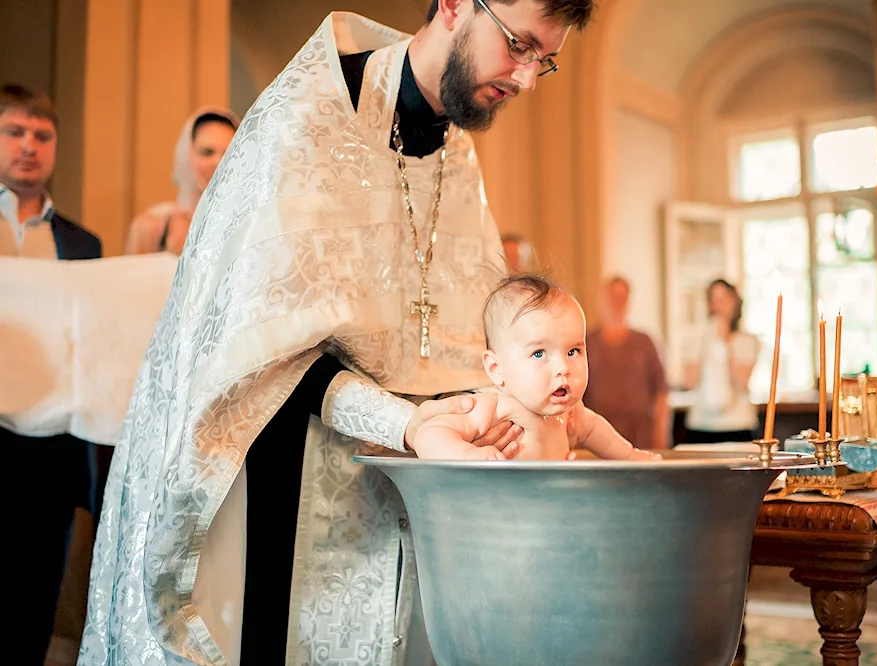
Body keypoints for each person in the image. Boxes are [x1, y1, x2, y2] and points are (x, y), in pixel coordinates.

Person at [79, 2, 594, 665]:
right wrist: (410, 426)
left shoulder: (457, 149)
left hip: (411, 487)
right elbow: (268, 350)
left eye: (542, 60)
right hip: (287, 472)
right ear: (454, 5)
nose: (525, 78)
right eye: (518, 45)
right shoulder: (308, 117)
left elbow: (459, 331)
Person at [0, 83, 103, 664]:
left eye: (42, 135)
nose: (29, 146)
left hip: (48, 452)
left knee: (32, 603)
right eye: (14, 131)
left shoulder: (82, 244)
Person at [414, 274, 660, 461]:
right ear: (496, 368)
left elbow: (595, 429)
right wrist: (467, 455)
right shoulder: (496, 408)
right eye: (539, 353)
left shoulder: (571, 413)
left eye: (573, 351)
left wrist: (630, 456)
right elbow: (428, 434)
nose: (563, 368)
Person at [124, 108, 239, 255]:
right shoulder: (154, 226)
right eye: (207, 152)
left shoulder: (250, 226)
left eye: (228, 154)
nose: (218, 163)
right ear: (185, 155)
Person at [583, 276, 670, 450]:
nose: (617, 302)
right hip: (596, 437)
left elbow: (661, 392)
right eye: (612, 297)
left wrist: (661, 433)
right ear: (601, 301)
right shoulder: (586, 342)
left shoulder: (645, 342)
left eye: (622, 297)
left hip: (640, 437)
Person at [683, 279, 760, 443]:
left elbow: (742, 381)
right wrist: (708, 342)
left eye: (724, 299)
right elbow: (689, 382)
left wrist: (725, 342)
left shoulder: (747, 340)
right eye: (714, 299)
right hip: (702, 424)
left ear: (735, 302)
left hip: (737, 424)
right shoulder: (697, 338)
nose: (719, 305)